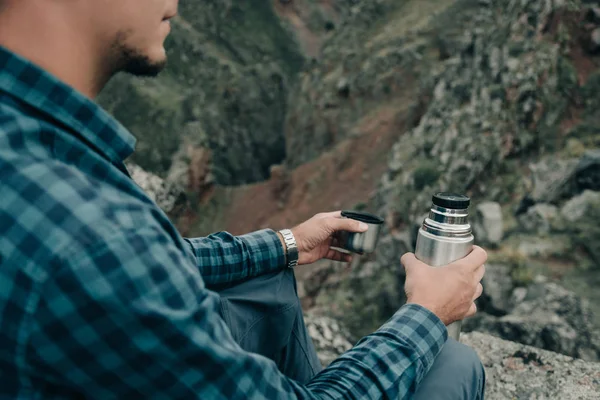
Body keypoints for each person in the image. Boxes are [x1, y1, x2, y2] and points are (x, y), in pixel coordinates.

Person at [0, 0, 487, 398]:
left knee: (268, 279)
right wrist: (426, 312)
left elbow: (151, 265)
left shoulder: (32, 143)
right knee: (452, 362)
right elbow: (114, 260)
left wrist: (287, 243)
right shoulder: (93, 234)